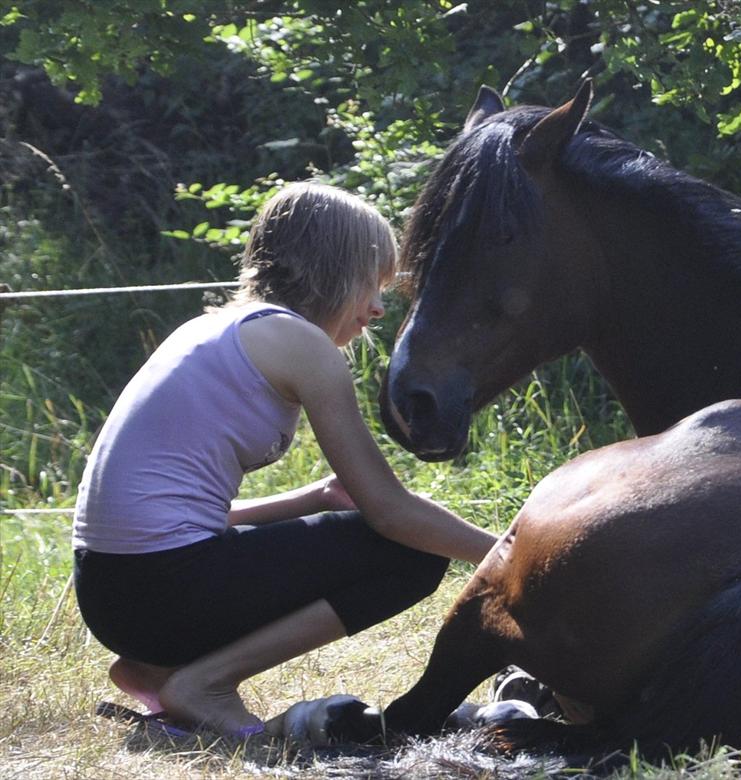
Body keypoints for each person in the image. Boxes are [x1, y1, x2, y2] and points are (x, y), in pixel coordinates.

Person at [72, 181, 498, 738]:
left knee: (375, 535)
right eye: (373, 283)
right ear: (334, 270)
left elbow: (172, 514)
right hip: (160, 592)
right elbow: (392, 514)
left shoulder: (210, 329)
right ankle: (205, 682)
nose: (376, 307)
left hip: (109, 590)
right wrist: (515, 559)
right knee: (408, 557)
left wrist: (311, 499)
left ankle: (162, 666)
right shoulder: (299, 344)